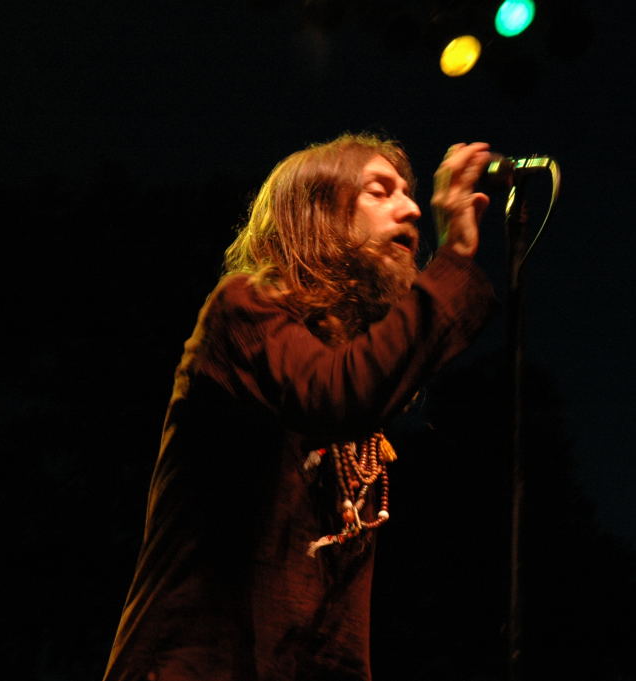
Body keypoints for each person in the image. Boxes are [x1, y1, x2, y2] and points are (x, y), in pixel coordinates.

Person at [103, 134, 496, 681]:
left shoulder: (360, 417)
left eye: (407, 193)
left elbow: (338, 630)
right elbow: (337, 394)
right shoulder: (241, 310)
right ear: (319, 214)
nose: (411, 209)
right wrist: (455, 259)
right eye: (380, 191)